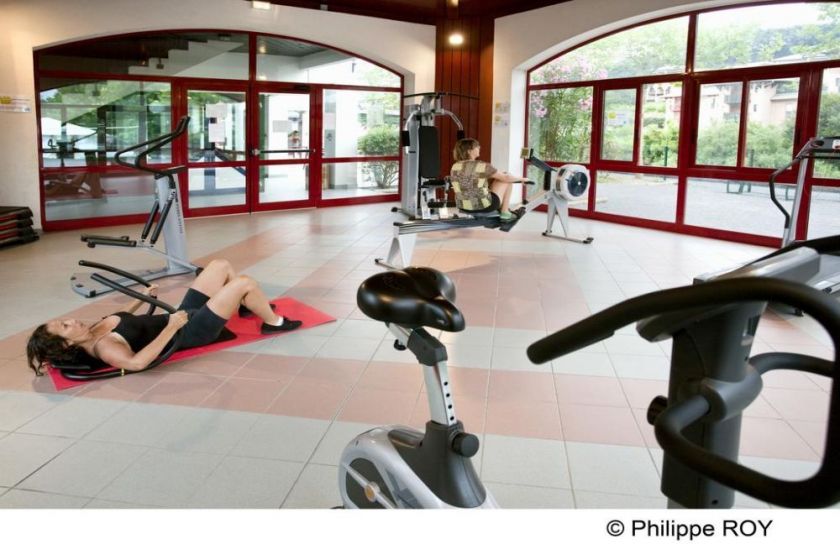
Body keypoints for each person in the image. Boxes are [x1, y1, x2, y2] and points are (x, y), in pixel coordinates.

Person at [26, 259, 302, 375]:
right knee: (243, 282)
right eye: (65, 326)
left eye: (65, 320)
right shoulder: (104, 347)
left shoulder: (92, 330)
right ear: (65, 345)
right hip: (191, 330)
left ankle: (243, 305)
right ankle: (272, 323)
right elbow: (135, 364)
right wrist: (171, 329)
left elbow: (124, 318)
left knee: (220, 266)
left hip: (180, 314)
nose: (71, 321)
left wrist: (145, 296)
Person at [449, 138, 530, 222]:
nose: (479, 147)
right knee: (507, 180)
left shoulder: (455, 167)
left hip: (463, 206)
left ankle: (503, 209)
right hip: (485, 206)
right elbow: (506, 178)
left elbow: (470, 177)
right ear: (469, 151)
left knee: (501, 178)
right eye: (476, 146)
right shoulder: (482, 165)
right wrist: (523, 179)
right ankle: (505, 212)